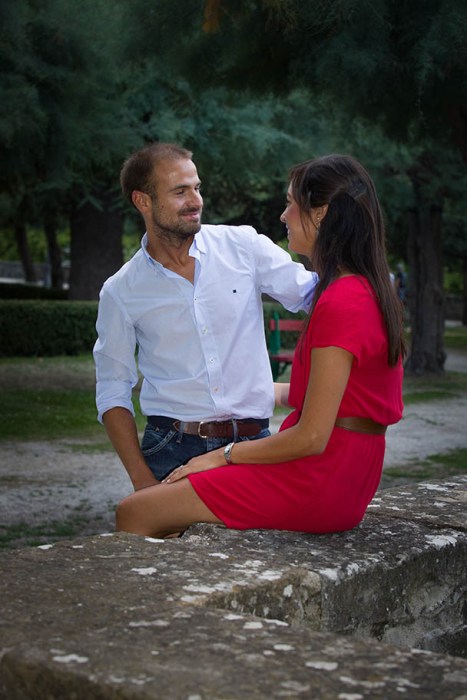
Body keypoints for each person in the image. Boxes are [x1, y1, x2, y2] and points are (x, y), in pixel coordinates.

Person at [115, 153, 406, 538]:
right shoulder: (363, 290)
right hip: (345, 476)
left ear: (321, 214)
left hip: (318, 477)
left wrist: (223, 456)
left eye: (290, 203)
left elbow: (311, 437)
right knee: (159, 511)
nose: (283, 215)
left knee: (134, 512)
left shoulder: (342, 301)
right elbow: (340, 398)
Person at [93, 143, 318, 491]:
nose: (195, 200)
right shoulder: (120, 290)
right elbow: (112, 389)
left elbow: (315, 295)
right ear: (143, 201)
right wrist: (141, 479)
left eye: (196, 188)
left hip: (254, 443)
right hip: (171, 449)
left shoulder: (243, 246)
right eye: (180, 191)